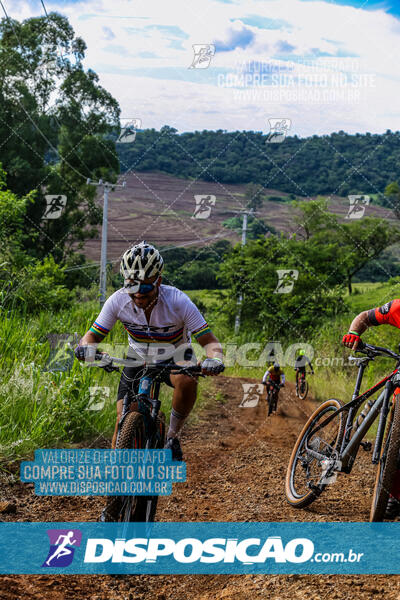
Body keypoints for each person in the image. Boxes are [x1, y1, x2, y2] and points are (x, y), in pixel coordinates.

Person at [74, 241, 225, 463]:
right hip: (137, 357)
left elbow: (210, 341)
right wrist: (86, 348)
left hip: (175, 355)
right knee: (122, 420)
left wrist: (215, 359)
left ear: (159, 281)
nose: (137, 295)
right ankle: (118, 488)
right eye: (130, 287)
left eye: (144, 288)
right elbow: (91, 336)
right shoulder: (117, 300)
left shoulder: (178, 301)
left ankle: (172, 436)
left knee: (187, 380)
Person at [342, 299, 400, 519]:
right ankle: (394, 496)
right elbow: (364, 316)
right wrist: (353, 333)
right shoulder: (397, 308)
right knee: (396, 443)